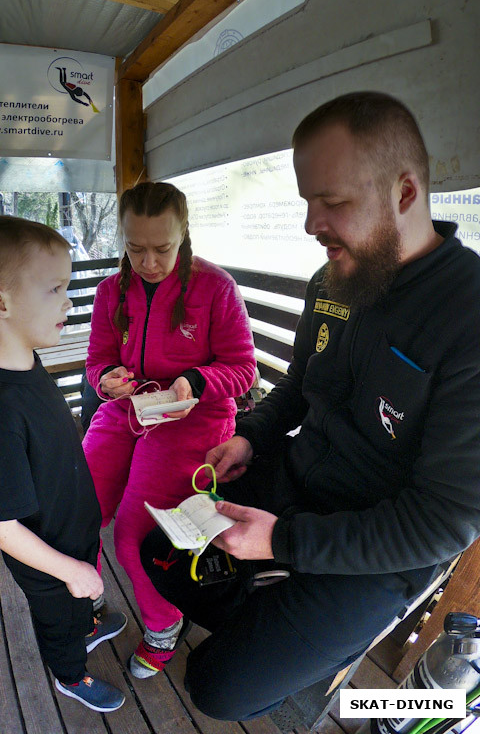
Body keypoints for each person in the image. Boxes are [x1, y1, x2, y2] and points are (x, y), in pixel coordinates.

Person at [140, 92, 480, 720]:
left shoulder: (467, 312)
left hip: (376, 549)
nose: (309, 225)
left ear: (404, 193)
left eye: (332, 203)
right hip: (294, 479)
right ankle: (262, 610)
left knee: (216, 688)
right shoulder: (336, 278)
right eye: (306, 203)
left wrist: (285, 543)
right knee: (151, 553)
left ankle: (282, 625)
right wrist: (250, 439)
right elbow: (299, 386)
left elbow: (442, 524)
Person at [82, 181, 256, 678]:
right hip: (128, 410)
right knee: (76, 511)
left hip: (194, 418)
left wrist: (196, 380)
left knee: (136, 536)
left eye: (163, 248)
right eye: (135, 249)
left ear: (184, 234)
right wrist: (106, 379)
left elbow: (243, 370)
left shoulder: (215, 287)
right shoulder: (110, 292)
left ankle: (162, 626)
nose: (149, 263)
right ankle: (89, 607)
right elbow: (99, 360)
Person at [0, 216, 127, 713]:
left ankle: (86, 624)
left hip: (69, 532)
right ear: (0, 303)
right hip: (46, 555)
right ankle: (71, 674)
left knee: (77, 604)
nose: (69, 302)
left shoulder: (28, 363)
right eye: (55, 289)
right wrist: (70, 570)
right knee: (59, 618)